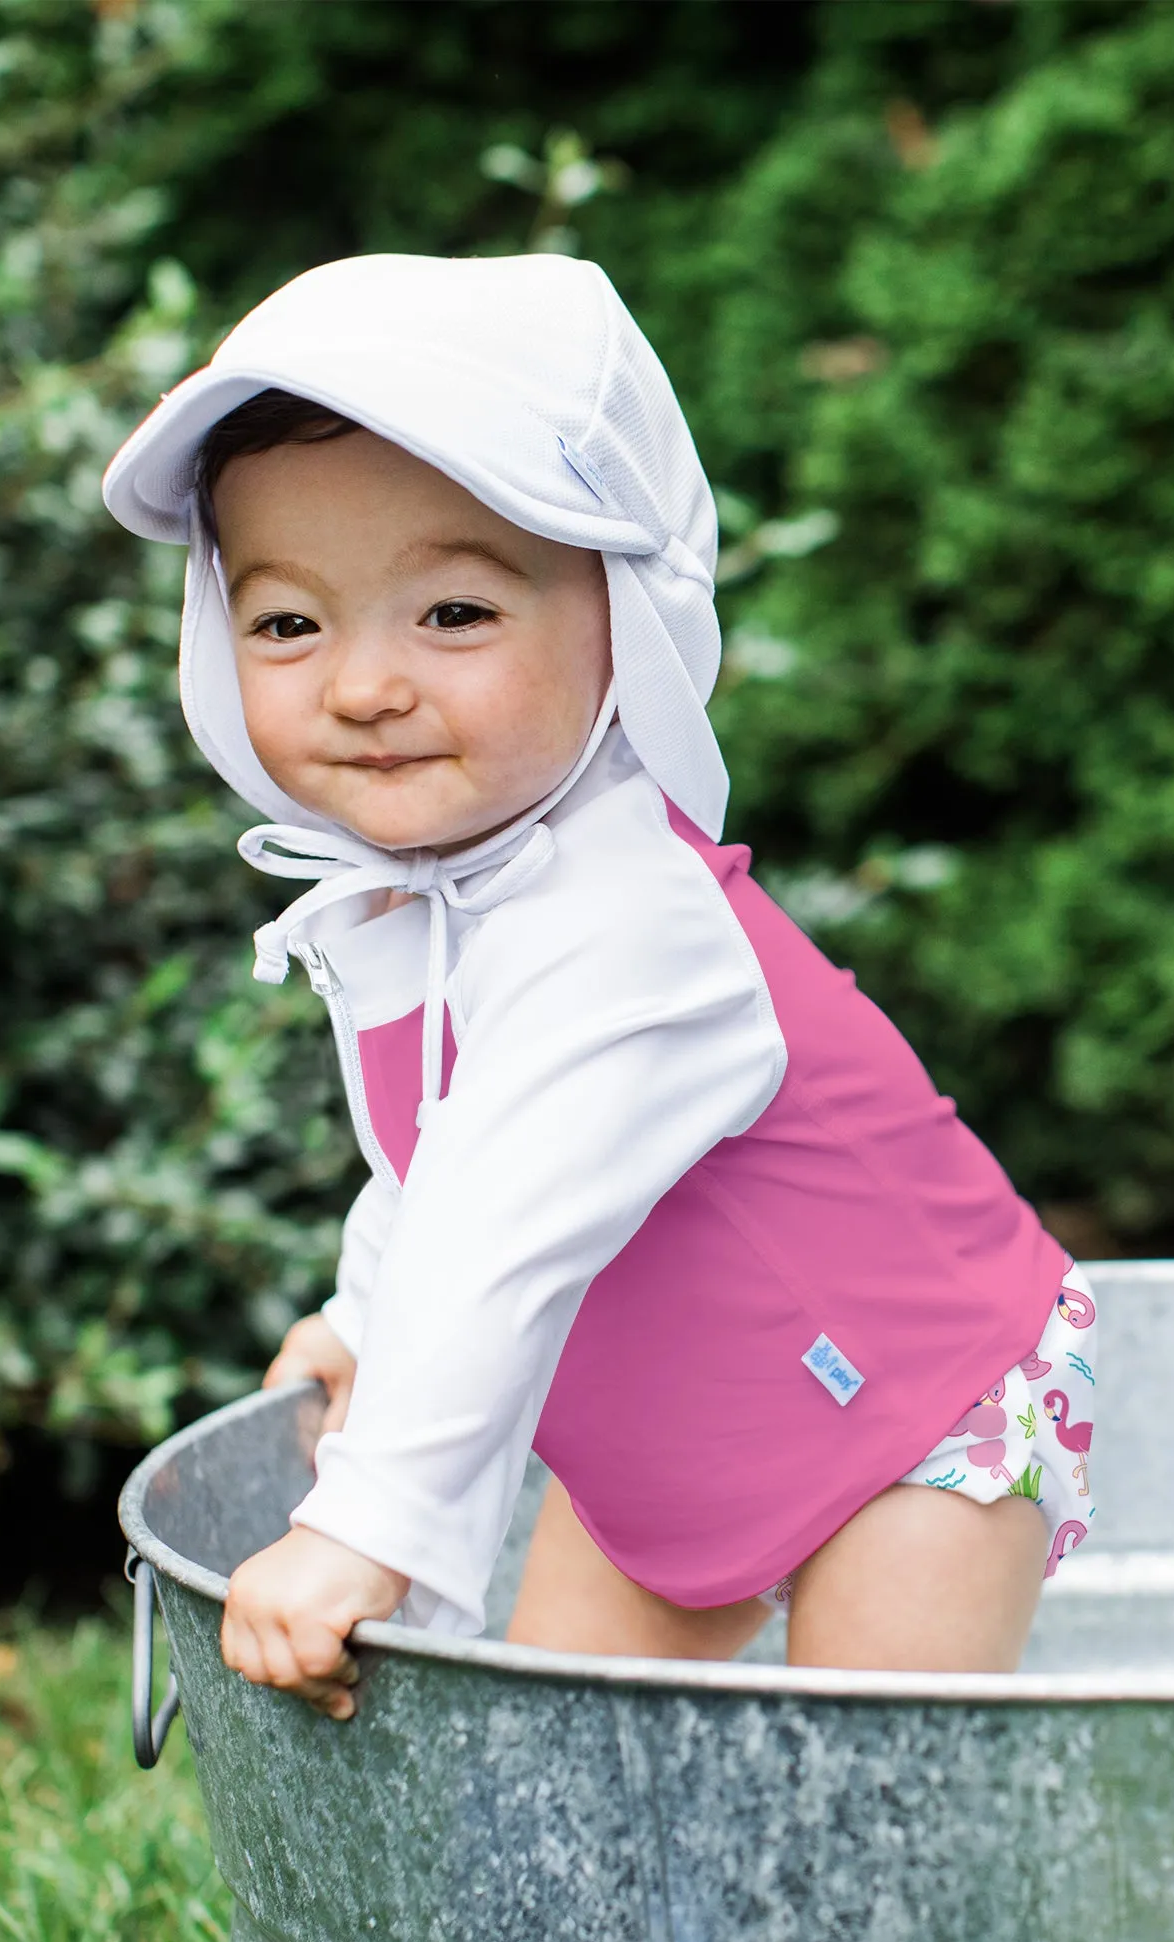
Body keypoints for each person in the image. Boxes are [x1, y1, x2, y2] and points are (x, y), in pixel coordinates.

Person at [102, 254, 1098, 1722]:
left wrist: (361, 1532)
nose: (363, 685)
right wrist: (370, 1319)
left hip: (905, 1401)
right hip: (685, 1413)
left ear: (621, 618)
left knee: (876, 1811)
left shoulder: (627, 925)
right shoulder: (420, 897)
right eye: (289, 624)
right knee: (558, 1768)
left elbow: (503, 1222)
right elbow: (443, 1159)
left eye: (452, 615)